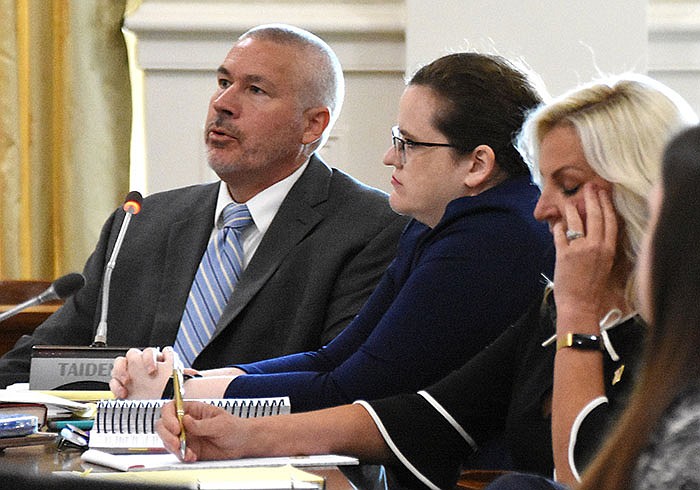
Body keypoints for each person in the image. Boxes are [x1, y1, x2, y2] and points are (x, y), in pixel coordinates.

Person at [154, 74, 698, 490]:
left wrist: (578, 316)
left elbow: (587, 476)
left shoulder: (646, 321)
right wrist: (242, 435)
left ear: (640, 193)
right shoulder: (552, 303)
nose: (542, 209)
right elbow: (435, 412)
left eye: (570, 186)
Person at [110, 52, 554, 414]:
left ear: (477, 164)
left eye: (409, 144)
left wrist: (176, 397)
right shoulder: (436, 226)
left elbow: (352, 390)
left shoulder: (492, 241)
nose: (388, 157)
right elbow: (334, 358)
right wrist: (187, 381)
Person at [0, 24, 408, 388]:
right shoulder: (139, 223)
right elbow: (42, 362)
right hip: (119, 462)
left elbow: (339, 382)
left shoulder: (372, 229)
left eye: (255, 90)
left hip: (270, 463)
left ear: (313, 124)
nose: (223, 104)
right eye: (223, 82)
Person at [576, 124, 700, 490]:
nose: (539, 209)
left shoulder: (691, 443)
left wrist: (577, 309)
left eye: (652, 219)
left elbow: (575, 472)